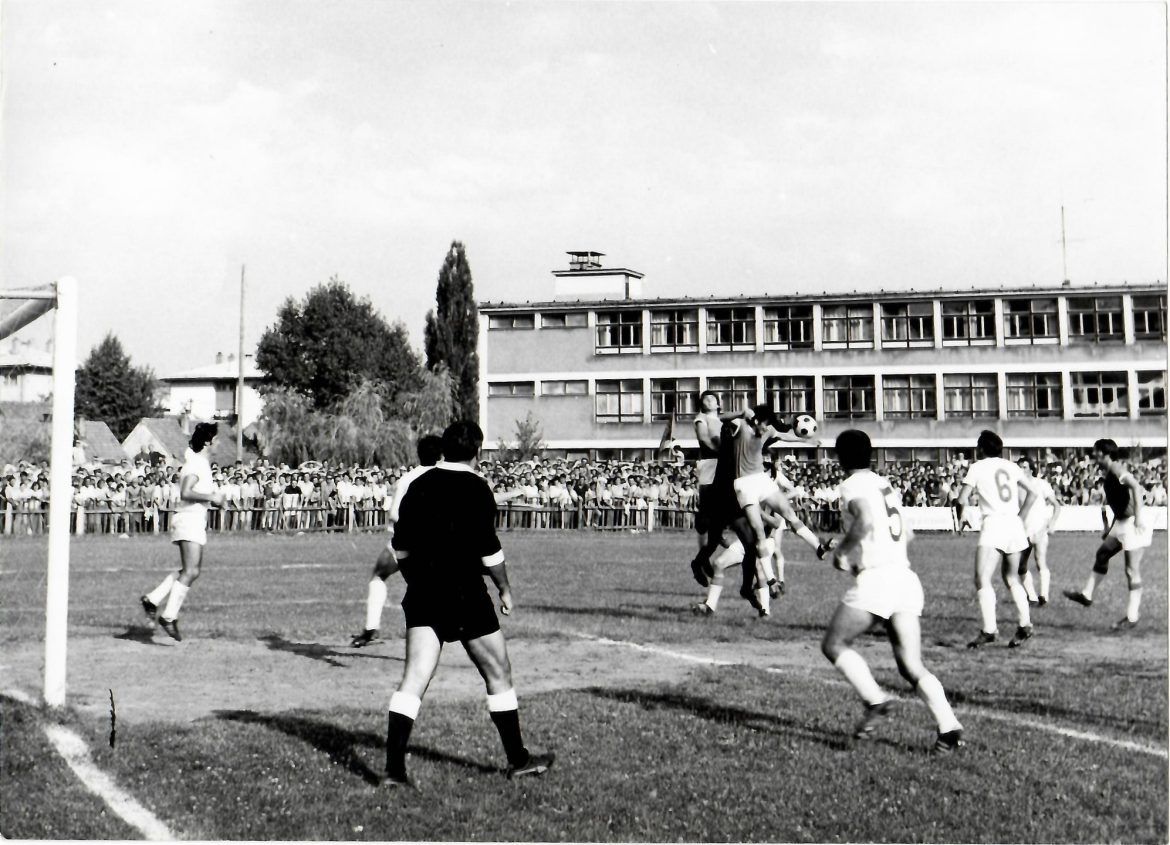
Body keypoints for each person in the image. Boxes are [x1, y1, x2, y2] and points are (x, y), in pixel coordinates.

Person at [382, 420, 554, 786]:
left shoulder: (418, 483)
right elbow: (489, 551)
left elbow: (400, 548)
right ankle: (518, 759)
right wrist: (505, 588)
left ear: (444, 448)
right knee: (498, 672)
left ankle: (394, 771)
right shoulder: (478, 488)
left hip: (424, 593)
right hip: (465, 594)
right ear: (477, 450)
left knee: (413, 678)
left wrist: (418, 580)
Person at [821, 429, 964, 753]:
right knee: (911, 665)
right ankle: (948, 725)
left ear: (841, 457)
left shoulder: (852, 484)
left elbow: (864, 521)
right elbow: (908, 533)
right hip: (904, 577)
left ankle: (875, 700)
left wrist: (843, 553)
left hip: (880, 581)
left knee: (834, 644)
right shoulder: (884, 484)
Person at [351, 434, 443, 648]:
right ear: (440, 455)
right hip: (437, 545)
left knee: (379, 576)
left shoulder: (407, 479)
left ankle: (370, 628)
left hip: (404, 541)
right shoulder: (446, 479)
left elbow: (393, 515)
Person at [139, 422, 226, 641]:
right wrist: (212, 498)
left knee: (189, 570)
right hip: (189, 520)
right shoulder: (197, 464)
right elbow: (187, 492)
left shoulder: (199, 463)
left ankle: (153, 599)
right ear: (208, 442)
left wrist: (211, 501)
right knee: (191, 571)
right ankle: (168, 616)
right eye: (217, 439)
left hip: (192, 519)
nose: (219, 443)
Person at [956, 431, 1039, 649]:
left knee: (982, 579)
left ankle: (990, 629)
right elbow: (1033, 493)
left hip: (994, 525)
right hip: (1013, 524)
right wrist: (1020, 518)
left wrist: (962, 515)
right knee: (1012, 578)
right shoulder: (1011, 466)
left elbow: (961, 499)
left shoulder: (977, 467)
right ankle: (1025, 624)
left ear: (981, 448)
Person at [1064, 439, 1152, 629]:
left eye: (1095, 451)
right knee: (1102, 554)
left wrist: (1138, 518)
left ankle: (1132, 616)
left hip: (1132, 525)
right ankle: (1087, 595)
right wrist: (1110, 528)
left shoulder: (1116, 469)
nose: (1092, 455)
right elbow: (1120, 502)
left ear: (1104, 453)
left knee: (1131, 570)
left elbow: (1136, 487)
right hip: (1121, 523)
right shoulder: (1109, 471)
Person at [1016, 458, 1062, 606]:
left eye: (1024, 467)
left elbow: (1056, 505)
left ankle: (1044, 595)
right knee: (1021, 566)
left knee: (1040, 561)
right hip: (1022, 529)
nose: (1021, 470)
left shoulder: (1041, 484)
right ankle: (1032, 596)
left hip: (1039, 528)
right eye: (1019, 467)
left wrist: (1051, 522)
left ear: (1031, 469)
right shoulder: (1014, 486)